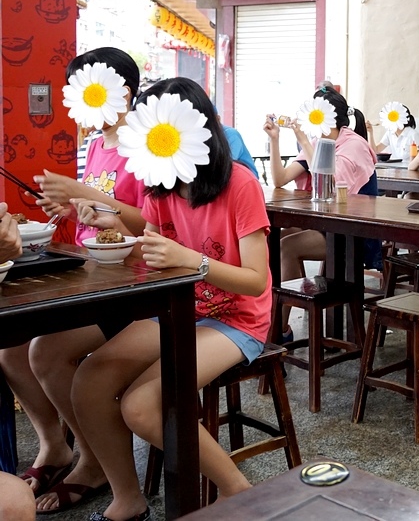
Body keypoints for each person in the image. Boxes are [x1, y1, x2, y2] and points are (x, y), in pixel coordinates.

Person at [71, 77, 273, 521]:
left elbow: (257, 281)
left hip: (237, 320)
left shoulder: (239, 184)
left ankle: (238, 491)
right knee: (89, 380)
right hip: (179, 310)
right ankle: (127, 499)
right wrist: (112, 225)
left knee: (141, 406)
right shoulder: (160, 186)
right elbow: (152, 254)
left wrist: (192, 260)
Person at [1, 48, 146, 513]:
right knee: (11, 348)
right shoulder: (97, 145)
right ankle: (54, 446)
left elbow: (150, 222)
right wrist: (67, 209)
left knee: (44, 351)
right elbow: (96, 212)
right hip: (90, 271)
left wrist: (81, 193)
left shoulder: (148, 144)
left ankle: (93, 460)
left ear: (121, 91)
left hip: (133, 283)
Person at [263, 87, 378, 340]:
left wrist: (304, 140)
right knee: (274, 236)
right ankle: (277, 315)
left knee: (287, 248)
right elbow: (280, 179)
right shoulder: (317, 143)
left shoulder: (354, 145)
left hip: (352, 231)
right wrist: (275, 140)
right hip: (327, 224)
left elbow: (332, 183)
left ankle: (278, 330)